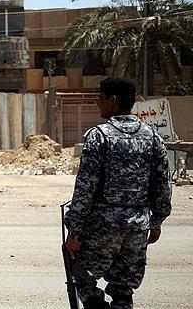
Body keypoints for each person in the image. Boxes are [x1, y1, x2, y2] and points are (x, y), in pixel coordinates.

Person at [64, 78, 172, 309]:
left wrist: (74, 229)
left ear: (113, 100)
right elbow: (163, 184)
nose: (97, 103)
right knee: (124, 290)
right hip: (137, 228)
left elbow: (85, 188)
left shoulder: (98, 136)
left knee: (83, 277)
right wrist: (157, 222)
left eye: (101, 98)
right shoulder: (153, 137)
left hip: (102, 227)